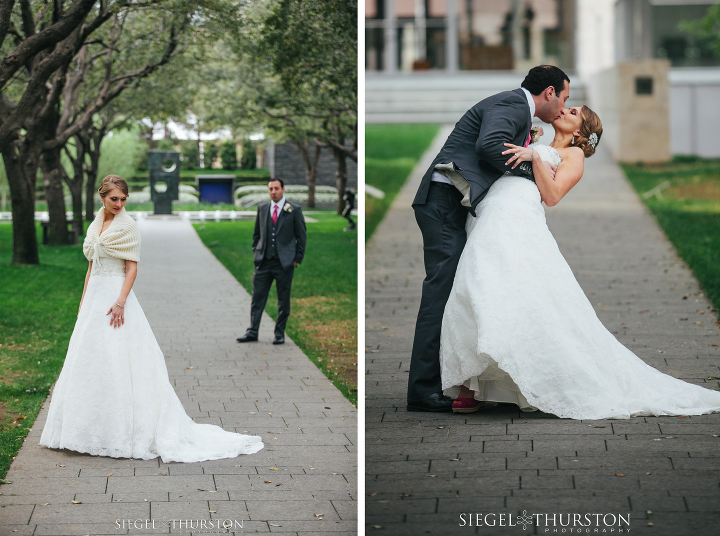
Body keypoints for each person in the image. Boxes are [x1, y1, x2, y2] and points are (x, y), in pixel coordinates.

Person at [440, 105, 720, 419]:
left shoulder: (573, 156)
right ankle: (482, 380)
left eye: (573, 111)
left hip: (517, 219)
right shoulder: (534, 138)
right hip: (488, 211)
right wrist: (531, 144)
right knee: (477, 287)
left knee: (491, 286)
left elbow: (553, 195)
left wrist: (536, 159)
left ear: (579, 131)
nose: (563, 109)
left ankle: (472, 386)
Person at [38, 175, 264, 462]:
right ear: (102, 197)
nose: (119, 204)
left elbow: (132, 269)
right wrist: (83, 301)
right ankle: (83, 430)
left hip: (115, 297)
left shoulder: (128, 227)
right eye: (113, 199)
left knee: (119, 358)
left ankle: (123, 430)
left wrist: (120, 302)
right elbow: (91, 267)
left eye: (123, 199)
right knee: (90, 358)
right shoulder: (96, 224)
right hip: (95, 295)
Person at [407, 65, 570, 412]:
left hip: (449, 204)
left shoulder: (515, 109)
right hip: (443, 203)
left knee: (455, 292)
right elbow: (489, 147)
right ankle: (422, 391)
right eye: (564, 98)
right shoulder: (513, 106)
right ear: (550, 92)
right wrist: (531, 172)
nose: (562, 108)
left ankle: (446, 383)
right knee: (441, 293)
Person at [237, 178, 307, 345]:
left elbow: (301, 237)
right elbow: (256, 235)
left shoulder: (294, 210)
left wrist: (296, 259)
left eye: (276, 188)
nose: (273, 191)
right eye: (270, 189)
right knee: (257, 298)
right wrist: (257, 252)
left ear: (283, 189)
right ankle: (252, 332)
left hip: (285, 264)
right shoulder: (262, 209)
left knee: (283, 300)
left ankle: (279, 333)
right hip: (263, 262)